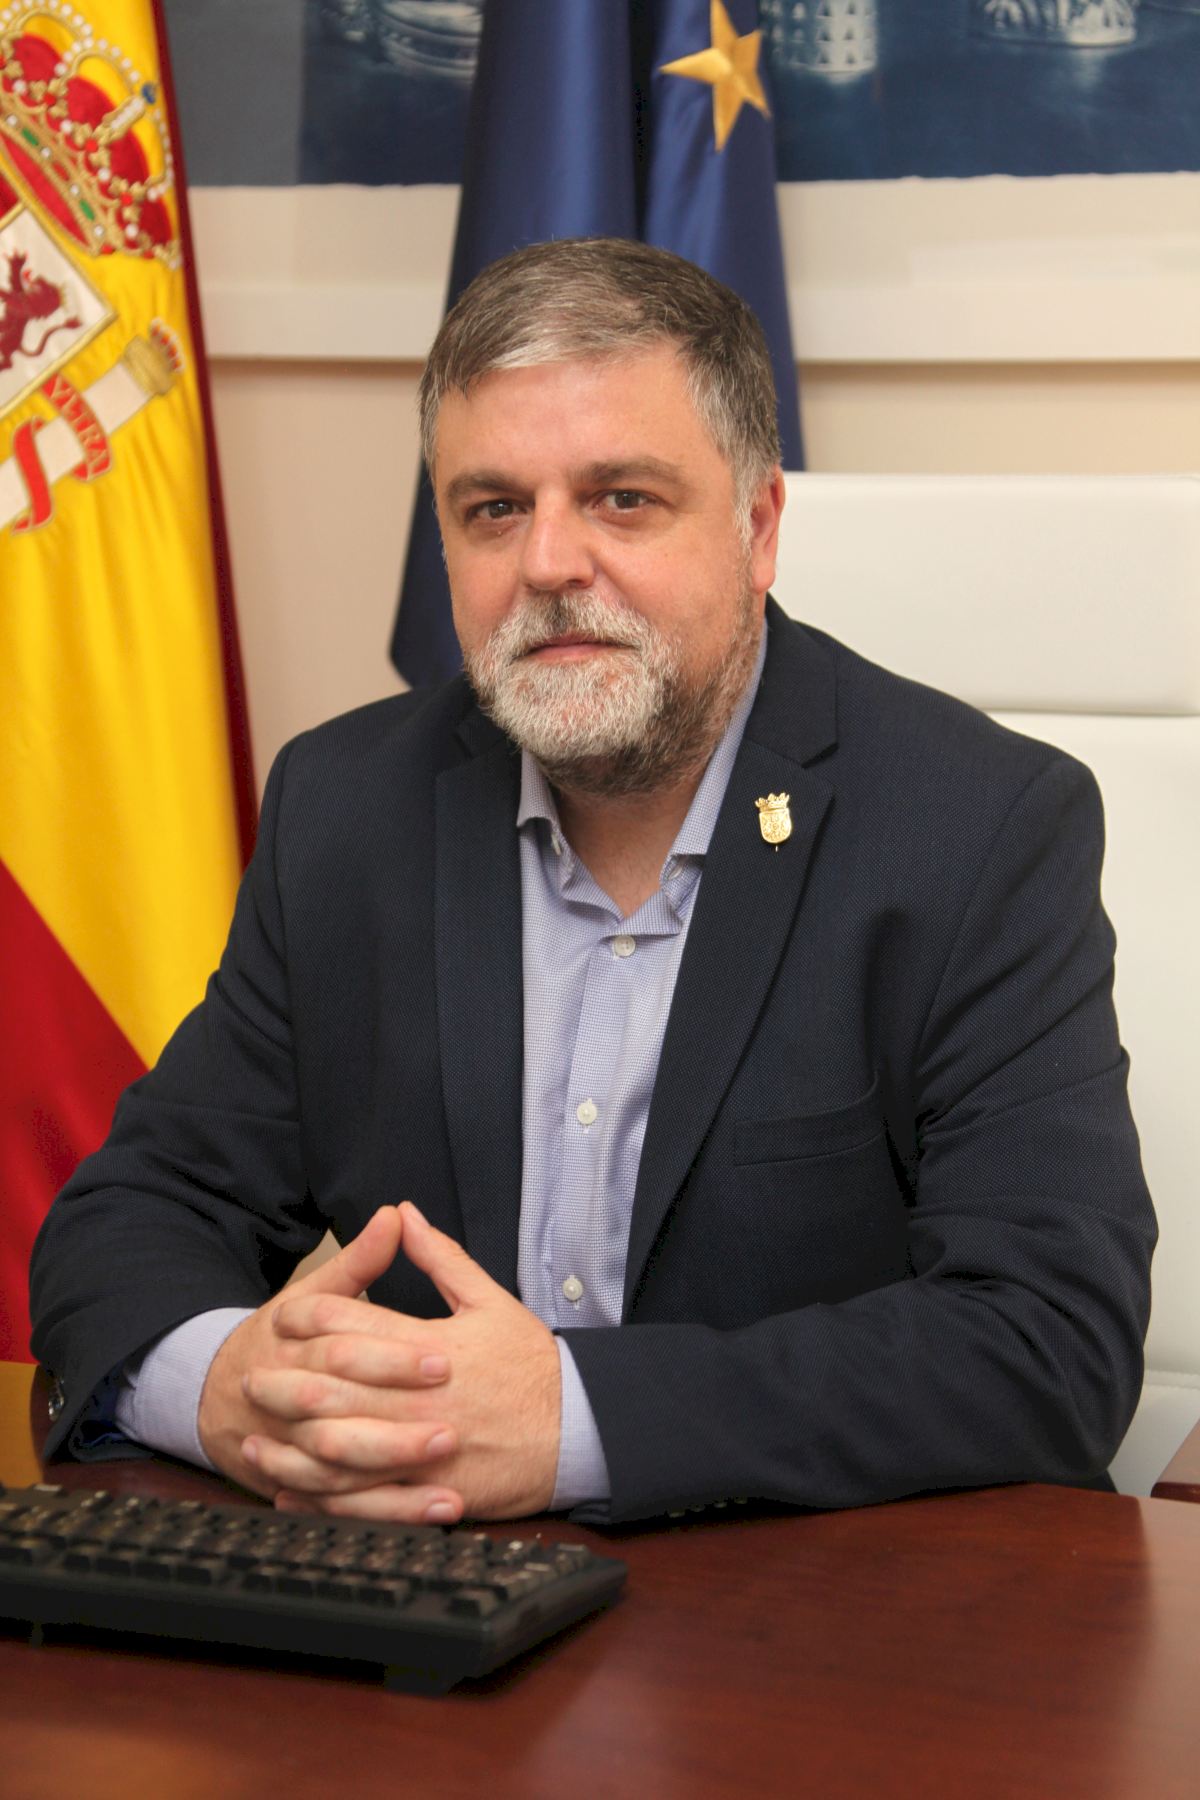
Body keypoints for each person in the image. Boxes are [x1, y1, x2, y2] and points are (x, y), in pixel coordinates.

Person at [30, 239, 1155, 1528]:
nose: (549, 562)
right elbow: (133, 1216)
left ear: (757, 528)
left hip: (805, 1608)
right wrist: (223, 1385)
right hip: (422, 1590)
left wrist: (575, 1422)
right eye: (493, 509)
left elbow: (1048, 1339)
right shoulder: (345, 810)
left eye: (622, 498)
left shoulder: (978, 829)